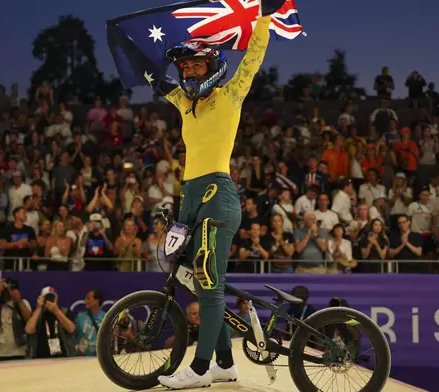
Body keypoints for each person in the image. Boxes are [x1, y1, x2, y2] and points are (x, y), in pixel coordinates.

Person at [157, 2, 279, 389]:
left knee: (209, 285)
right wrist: (132, 47)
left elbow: (255, 56)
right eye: (185, 67)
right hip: (190, 197)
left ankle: (199, 369)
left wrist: (264, 16)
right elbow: (157, 81)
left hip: (217, 195)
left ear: (211, 67)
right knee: (199, 284)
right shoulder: (183, 105)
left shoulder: (230, 95)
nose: (189, 71)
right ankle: (225, 363)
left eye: (196, 65)